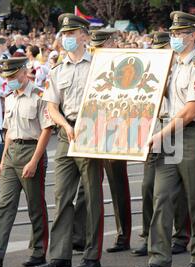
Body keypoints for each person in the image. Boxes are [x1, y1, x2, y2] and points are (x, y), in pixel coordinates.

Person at [134, 11, 195, 267]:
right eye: (172, 34)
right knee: (162, 196)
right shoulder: (174, 66)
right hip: (171, 134)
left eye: (179, 34)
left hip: (193, 135)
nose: (174, 38)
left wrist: (161, 134)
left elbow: (191, 110)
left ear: (193, 36)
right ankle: (159, 259)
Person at [37, 13, 104, 267]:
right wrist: (65, 125)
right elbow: (51, 106)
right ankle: (60, 256)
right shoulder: (57, 69)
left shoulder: (98, 65)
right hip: (66, 134)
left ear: (84, 36)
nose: (66, 38)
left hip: (91, 134)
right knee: (62, 197)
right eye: (64, 34)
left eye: (71, 34)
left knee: (92, 198)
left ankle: (91, 254)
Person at [0, 57, 52, 267]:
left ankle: (39, 251)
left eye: (13, 76)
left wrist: (34, 161)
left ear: (24, 72)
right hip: (12, 153)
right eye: (7, 77)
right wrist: (3, 161)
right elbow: (10, 132)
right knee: (5, 203)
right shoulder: (10, 97)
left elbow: (46, 131)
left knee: (35, 205)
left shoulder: (40, 96)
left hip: (32, 151)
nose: (10, 80)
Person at [70, 28, 133, 254]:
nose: (97, 51)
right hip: (90, 129)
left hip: (115, 130)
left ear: (113, 44)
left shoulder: (125, 66)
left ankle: (123, 235)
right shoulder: (89, 66)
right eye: (95, 47)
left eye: (102, 46)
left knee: (117, 185)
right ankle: (79, 235)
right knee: (86, 187)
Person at [132, 31, 191, 257]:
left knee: (178, 188)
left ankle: (181, 235)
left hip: (175, 128)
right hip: (153, 129)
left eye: (164, 50)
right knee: (148, 186)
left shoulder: (179, 70)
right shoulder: (150, 73)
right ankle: (149, 235)